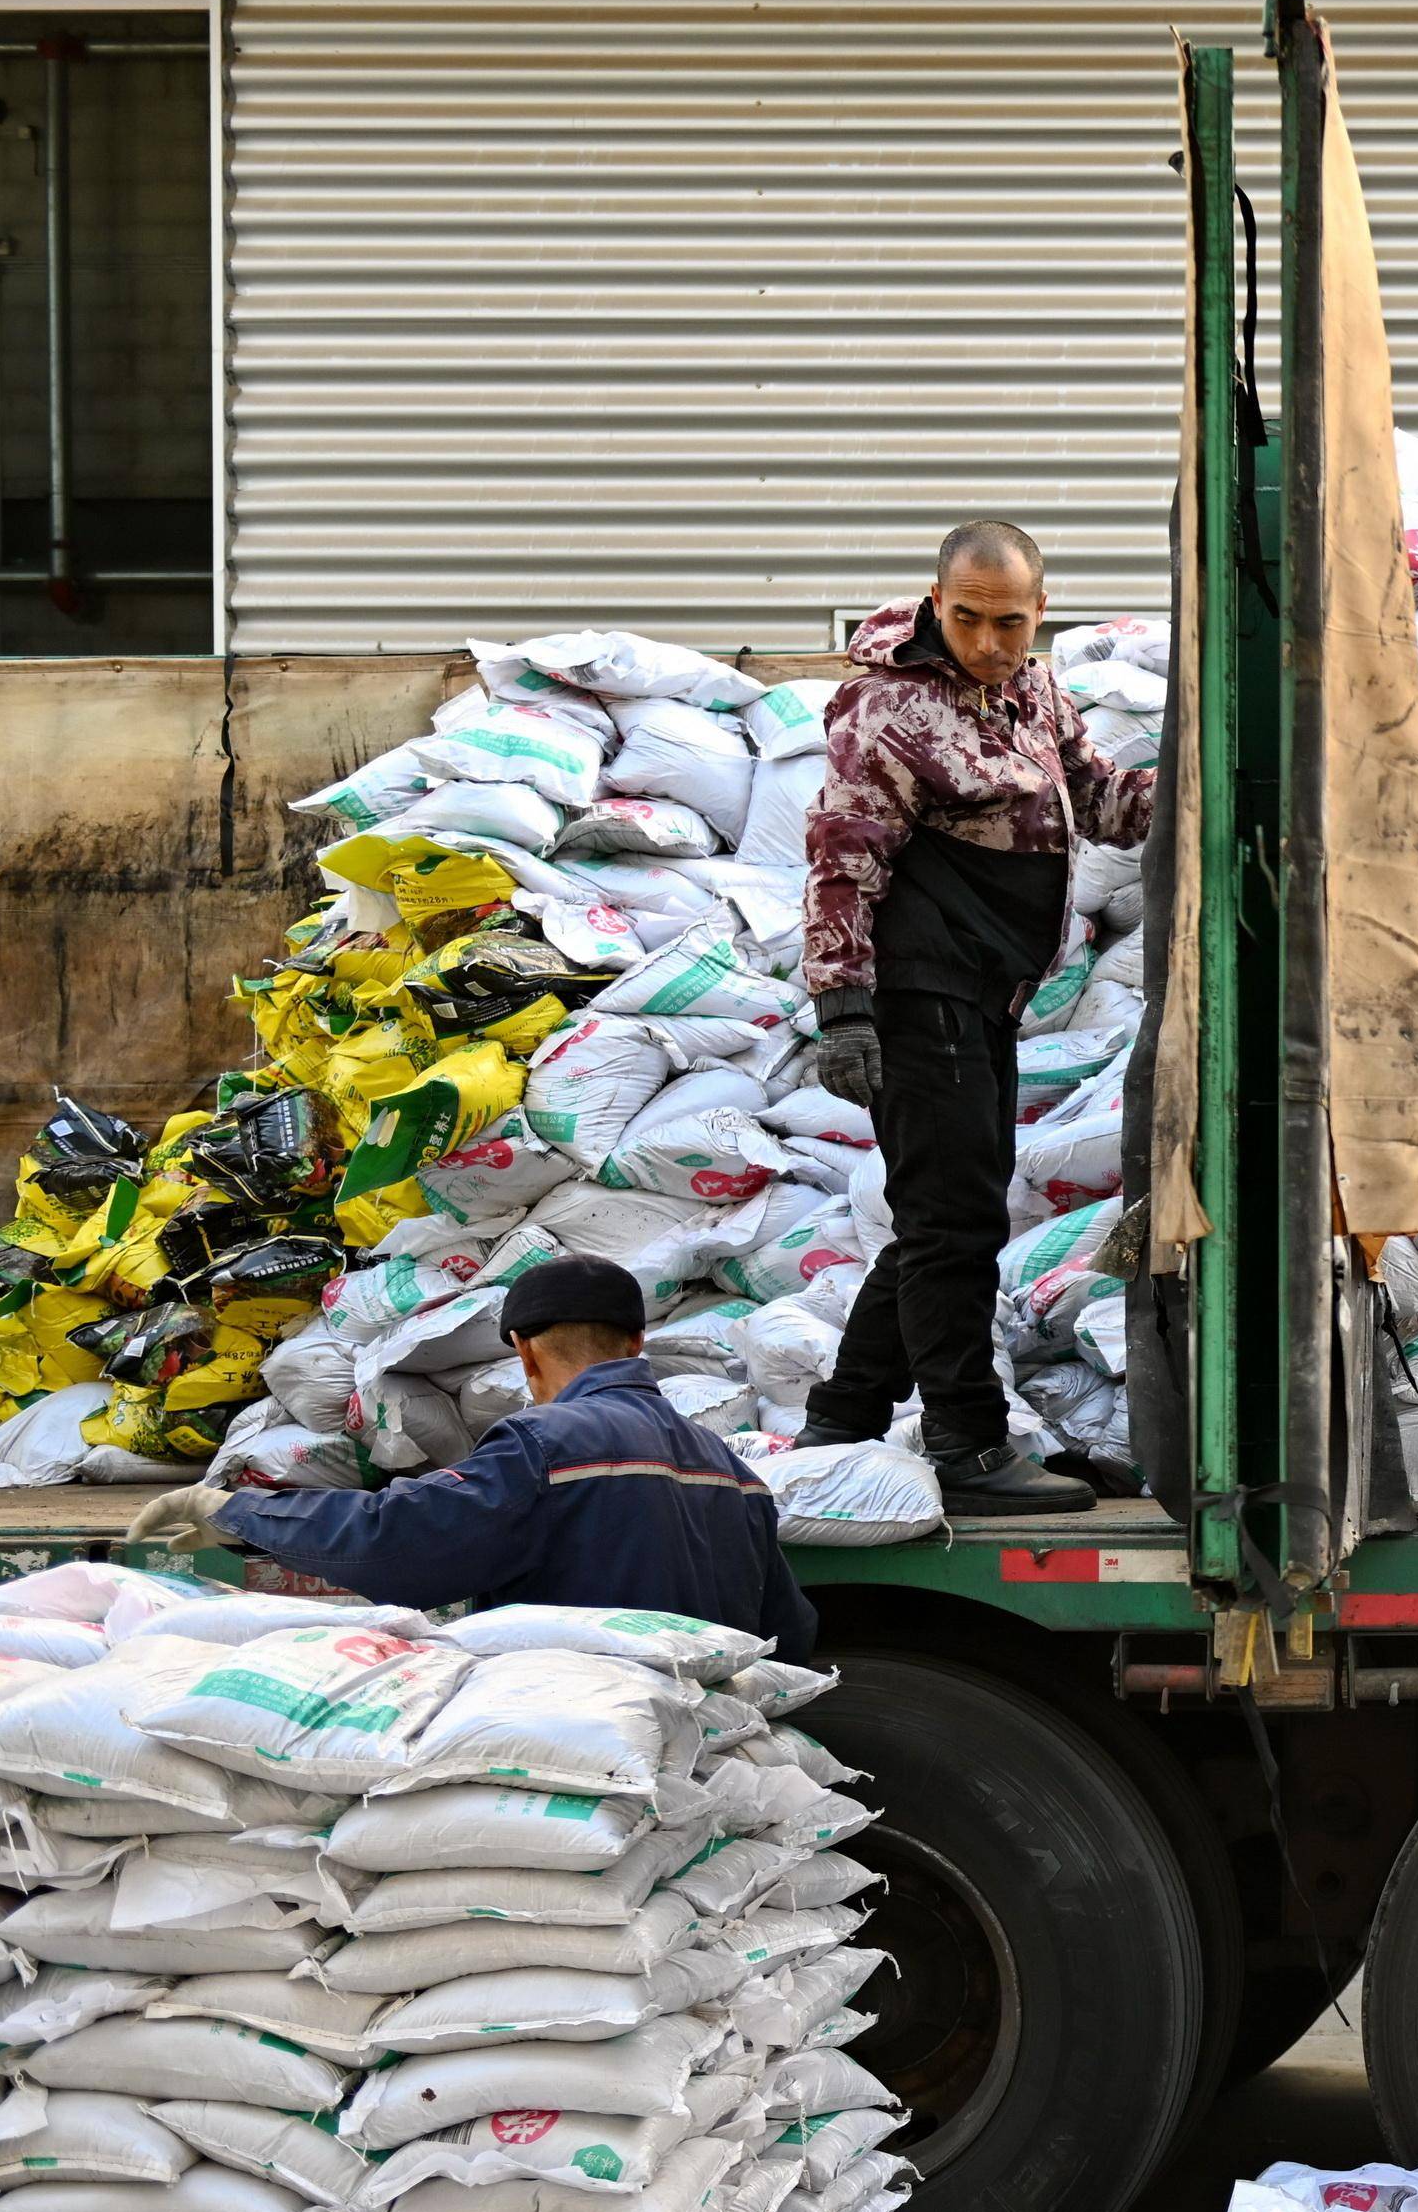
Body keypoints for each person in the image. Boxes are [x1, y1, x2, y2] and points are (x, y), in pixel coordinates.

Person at [795, 518, 1152, 1518]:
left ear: (1040, 612)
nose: (989, 642)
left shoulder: (1033, 688)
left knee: (941, 1217)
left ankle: (843, 1421)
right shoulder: (887, 709)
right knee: (953, 1222)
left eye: (1009, 622)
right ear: (936, 602)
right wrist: (844, 1007)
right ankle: (965, 1440)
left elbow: (1101, 798)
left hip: (986, 988)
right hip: (919, 987)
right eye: (968, 618)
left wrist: (1202, 785)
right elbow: (842, 858)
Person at [124, 1255, 818, 1656]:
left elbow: (397, 1543)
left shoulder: (545, 1445)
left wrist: (240, 1512)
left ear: (520, 1349)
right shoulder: (734, 1471)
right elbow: (790, 1632)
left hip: (579, 1729)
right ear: (637, 1343)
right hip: (700, 1738)